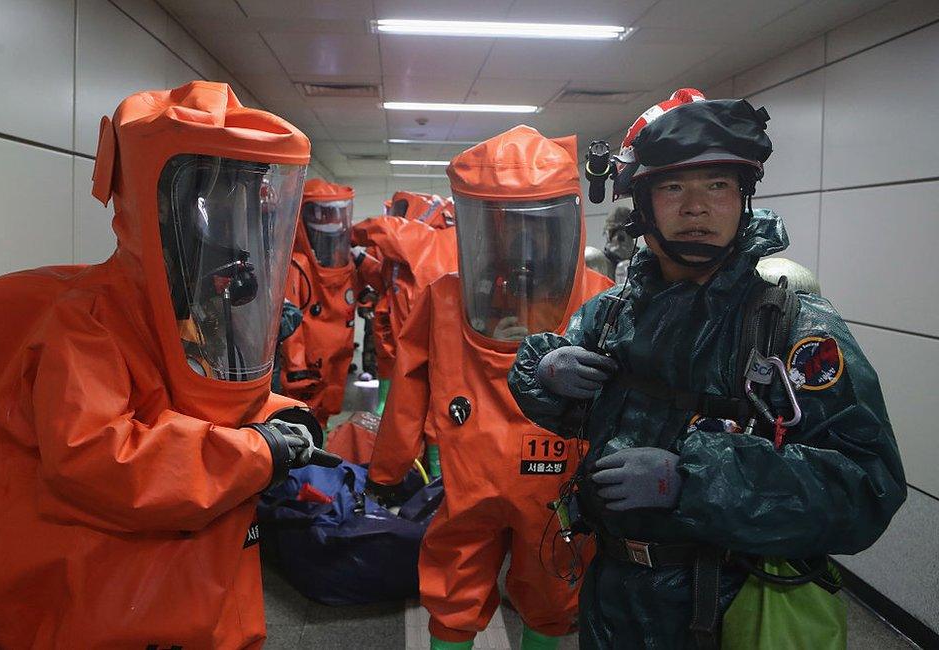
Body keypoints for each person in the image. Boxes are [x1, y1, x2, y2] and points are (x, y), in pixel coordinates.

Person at [508, 89, 906, 649]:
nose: (697, 207)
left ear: (743, 198)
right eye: (673, 186)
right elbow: (568, 410)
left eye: (718, 186)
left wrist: (694, 478)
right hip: (612, 597)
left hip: (726, 607)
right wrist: (543, 374)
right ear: (641, 204)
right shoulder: (614, 310)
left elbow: (868, 488)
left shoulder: (791, 323)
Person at [0, 82, 325, 649]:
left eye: (239, 200)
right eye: (211, 201)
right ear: (158, 208)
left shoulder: (191, 308)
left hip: (204, 579)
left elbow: (205, 399)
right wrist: (257, 451)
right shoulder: (90, 321)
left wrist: (284, 416)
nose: (228, 227)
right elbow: (98, 458)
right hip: (124, 601)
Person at [366, 125, 612, 650]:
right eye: (509, 226)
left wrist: (388, 471)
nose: (524, 244)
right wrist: (387, 468)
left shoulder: (602, 301)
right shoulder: (450, 298)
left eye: (537, 227)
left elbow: (628, 396)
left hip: (527, 481)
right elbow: (407, 385)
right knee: (493, 592)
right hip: (513, 478)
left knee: (540, 595)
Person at [352, 190, 458, 471]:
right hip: (402, 347)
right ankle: (418, 475)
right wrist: (361, 261)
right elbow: (390, 280)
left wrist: (347, 234)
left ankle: (433, 479)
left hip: (420, 346)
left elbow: (379, 228)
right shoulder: (421, 250)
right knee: (408, 412)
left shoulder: (420, 238)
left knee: (424, 412)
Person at [277, 179, 359, 428]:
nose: (329, 220)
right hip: (308, 365)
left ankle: (318, 447)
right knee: (301, 418)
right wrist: (297, 365)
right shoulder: (297, 265)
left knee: (326, 409)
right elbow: (290, 323)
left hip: (337, 354)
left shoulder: (346, 263)